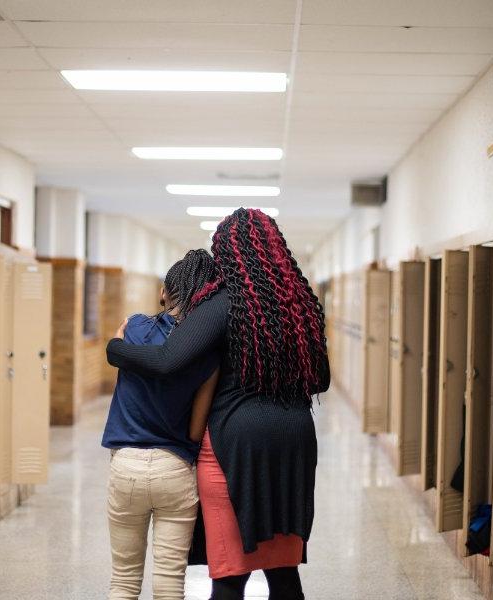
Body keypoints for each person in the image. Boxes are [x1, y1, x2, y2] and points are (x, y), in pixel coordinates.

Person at [108, 208, 330, 600]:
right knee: (283, 572)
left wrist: (117, 349)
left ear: (226, 255)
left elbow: (167, 361)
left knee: (230, 573)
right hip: (295, 442)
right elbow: (322, 380)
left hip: (235, 442)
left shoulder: (223, 304)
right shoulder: (300, 304)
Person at [102, 249, 220, 600]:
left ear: (165, 293)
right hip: (175, 469)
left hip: (126, 466)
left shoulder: (136, 326)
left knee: (123, 580)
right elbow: (196, 431)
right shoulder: (208, 353)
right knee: (169, 581)